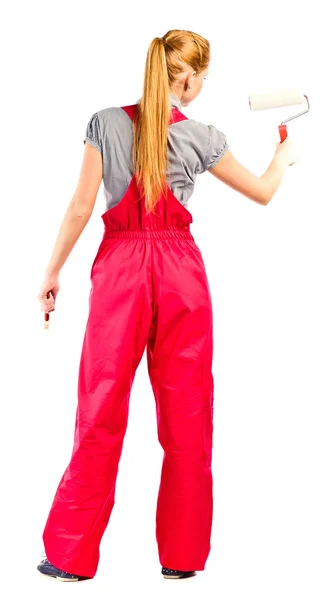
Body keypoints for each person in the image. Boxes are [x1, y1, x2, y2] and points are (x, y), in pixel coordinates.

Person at [36, 29, 299, 583]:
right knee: (187, 414)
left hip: (119, 273)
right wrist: (283, 157)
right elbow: (263, 191)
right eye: (205, 76)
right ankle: (181, 559)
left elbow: (83, 207)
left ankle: (68, 558)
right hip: (181, 276)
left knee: (100, 406)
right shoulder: (203, 135)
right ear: (191, 77)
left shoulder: (104, 122)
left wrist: (52, 271)